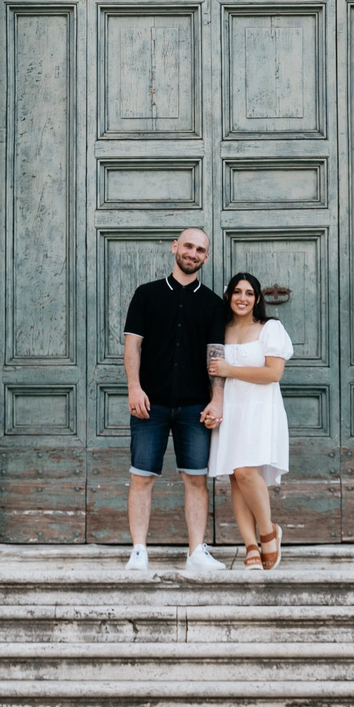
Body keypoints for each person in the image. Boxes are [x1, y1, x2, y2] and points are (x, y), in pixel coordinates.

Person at [121, 227, 226, 572]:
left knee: (195, 478)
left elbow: (215, 356)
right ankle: (138, 550)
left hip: (195, 404)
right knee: (142, 476)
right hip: (150, 402)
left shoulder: (213, 304)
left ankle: (196, 551)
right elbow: (132, 344)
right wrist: (134, 388)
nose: (193, 253)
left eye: (200, 250)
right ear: (175, 247)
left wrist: (217, 399)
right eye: (188, 246)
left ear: (205, 257)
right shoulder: (146, 294)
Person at [205, 271, 293, 570]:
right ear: (229, 296)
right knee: (235, 477)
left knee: (245, 471)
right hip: (230, 408)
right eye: (237, 292)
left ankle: (268, 531)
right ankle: (250, 546)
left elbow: (273, 373)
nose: (242, 298)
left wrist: (231, 370)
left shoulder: (270, 328)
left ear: (257, 299)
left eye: (249, 293)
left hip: (260, 408)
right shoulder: (221, 329)